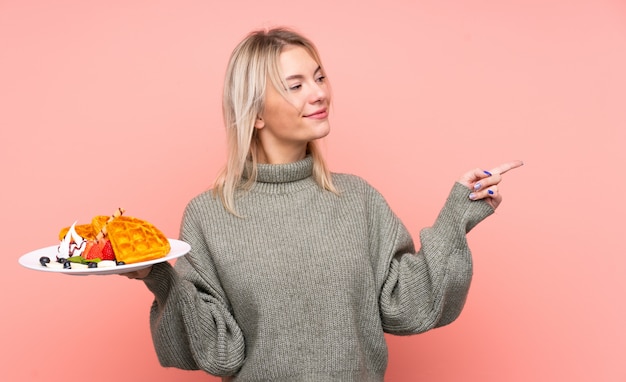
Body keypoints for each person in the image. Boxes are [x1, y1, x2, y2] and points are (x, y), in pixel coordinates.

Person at [126, 27, 523, 381]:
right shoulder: (209, 215)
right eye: (295, 85)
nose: (319, 93)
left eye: (319, 77)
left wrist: (457, 216)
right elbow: (219, 353)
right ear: (257, 112)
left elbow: (407, 306)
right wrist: (158, 277)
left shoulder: (357, 199)